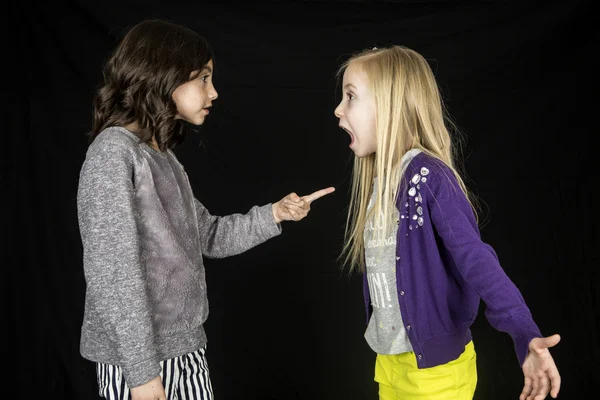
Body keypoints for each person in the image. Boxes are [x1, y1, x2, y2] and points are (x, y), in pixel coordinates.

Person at [77, 19, 334, 400]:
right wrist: (142, 374)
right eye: (203, 79)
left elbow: (207, 235)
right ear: (164, 76)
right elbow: (113, 274)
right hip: (138, 363)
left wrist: (275, 214)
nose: (213, 93)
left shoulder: (163, 158)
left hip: (185, 351)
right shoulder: (114, 153)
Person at [334, 45, 560, 400]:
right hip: (390, 366)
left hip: (435, 377)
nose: (338, 110)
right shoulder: (380, 182)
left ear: (390, 104)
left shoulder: (429, 177)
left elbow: (476, 257)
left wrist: (523, 330)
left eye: (350, 97)